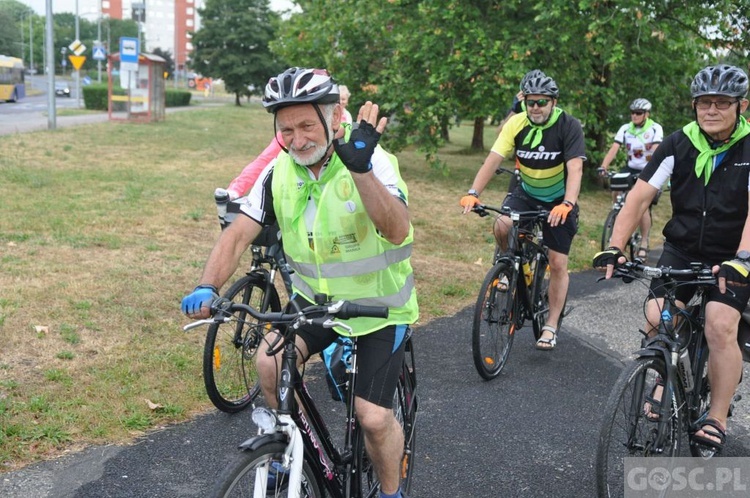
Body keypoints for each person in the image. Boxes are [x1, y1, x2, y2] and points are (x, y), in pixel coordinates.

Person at [182, 67, 418, 498]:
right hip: (314, 303)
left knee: (372, 416)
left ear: (335, 115)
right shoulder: (280, 171)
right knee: (269, 364)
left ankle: (391, 492)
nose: (297, 138)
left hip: (379, 309)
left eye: (307, 125)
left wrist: (361, 170)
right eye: (285, 128)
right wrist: (209, 286)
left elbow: (398, 229)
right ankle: (287, 452)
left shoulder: (372, 160)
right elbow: (237, 232)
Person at [593, 64, 750, 452]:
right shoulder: (679, 143)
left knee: (719, 324)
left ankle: (716, 415)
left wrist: (744, 258)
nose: (711, 110)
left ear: (741, 106)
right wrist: (615, 246)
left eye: (722, 103)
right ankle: (666, 373)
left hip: (732, 254)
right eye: (704, 103)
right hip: (682, 248)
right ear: (694, 105)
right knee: (656, 317)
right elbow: (640, 195)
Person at [460, 73, 586, 351]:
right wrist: (473, 193)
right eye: (530, 102)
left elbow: (575, 169)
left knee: (557, 262)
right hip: (527, 194)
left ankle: (551, 325)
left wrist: (567, 203)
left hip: (559, 200)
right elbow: (493, 160)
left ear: (553, 102)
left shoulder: (568, 126)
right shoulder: (517, 124)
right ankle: (511, 267)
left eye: (541, 102)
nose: (535, 108)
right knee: (502, 225)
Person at [226, 83, 354, 200]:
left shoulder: (346, 117)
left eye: (343, 99)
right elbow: (262, 161)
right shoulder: (284, 140)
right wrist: (236, 190)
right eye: (287, 129)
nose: (298, 141)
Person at [599, 98, 664, 258]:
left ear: (646, 114)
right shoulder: (626, 129)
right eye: (632, 113)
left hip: (648, 168)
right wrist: (604, 166)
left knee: (641, 206)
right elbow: (614, 148)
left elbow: (656, 151)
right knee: (616, 187)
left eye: (638, 113)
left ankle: (644, 242)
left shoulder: (655, 128)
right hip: (631, 166)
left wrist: (654, 174)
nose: (634, 116)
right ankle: (618, 213)